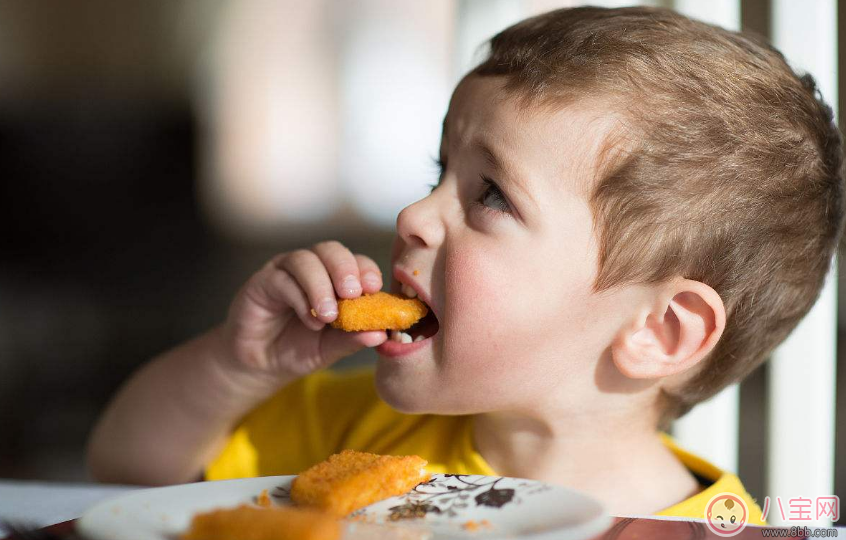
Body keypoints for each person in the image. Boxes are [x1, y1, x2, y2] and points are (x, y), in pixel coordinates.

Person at [86, 6, 844, 523]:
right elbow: (125, 471)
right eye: (436, 172)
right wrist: (238, 365)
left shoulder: (714, 533)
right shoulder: (351, 431)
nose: (414, 217)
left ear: (658, 331)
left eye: (491, 196)